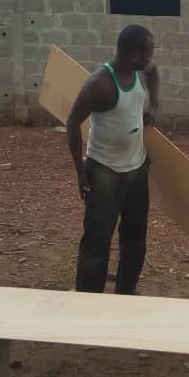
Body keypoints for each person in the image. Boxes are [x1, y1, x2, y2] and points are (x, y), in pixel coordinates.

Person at [66, 24, 160, 295]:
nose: (151, 58)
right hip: (105, 172)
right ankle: (89, 300)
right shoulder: (100, 84)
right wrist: (80, 172)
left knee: (135, 238)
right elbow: (72, 124)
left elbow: (154, 72)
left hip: (137, 168)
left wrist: (154, 104)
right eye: (148, 52)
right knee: (97, 240)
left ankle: (126, 291)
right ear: (134, 55)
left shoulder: (141, 70)